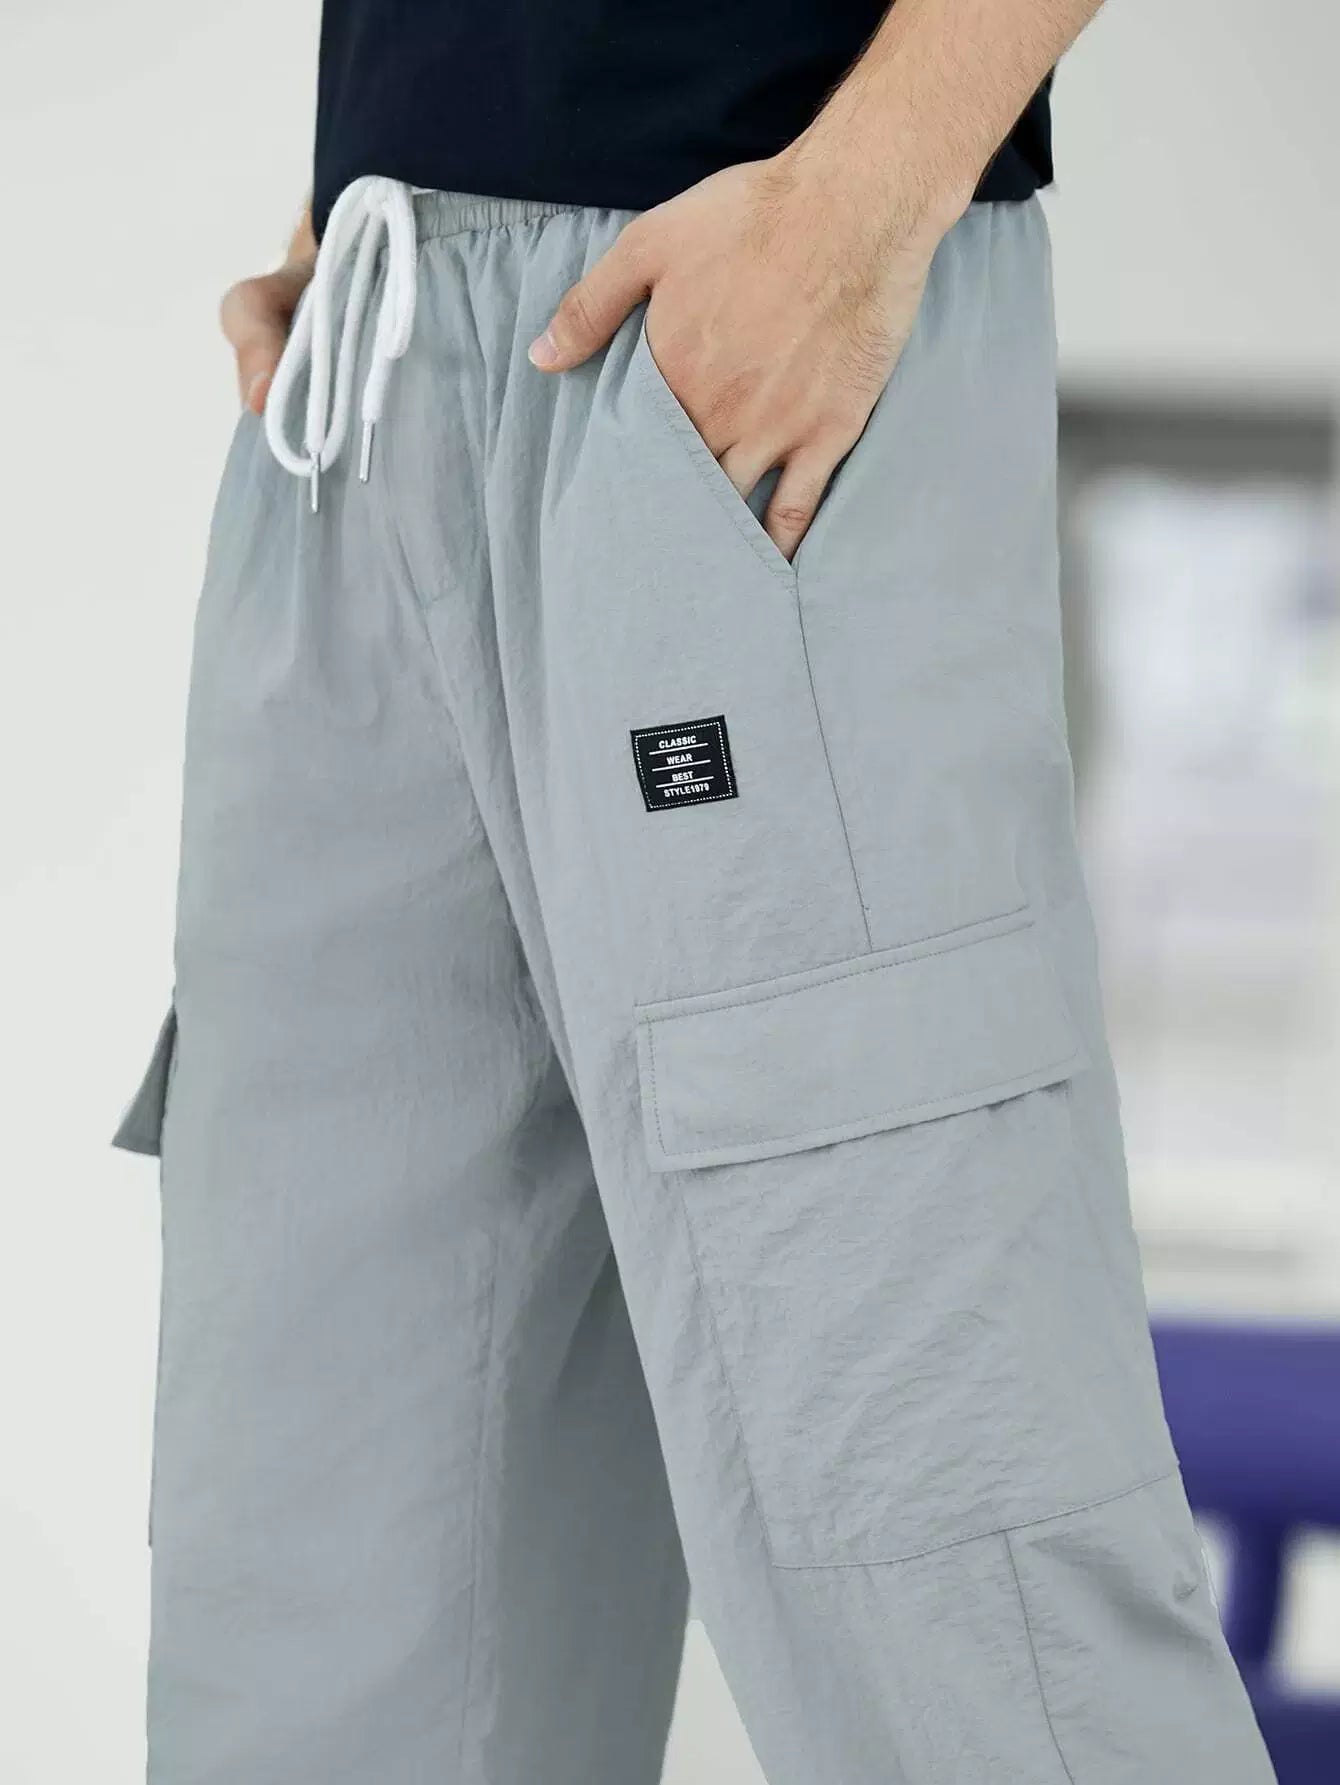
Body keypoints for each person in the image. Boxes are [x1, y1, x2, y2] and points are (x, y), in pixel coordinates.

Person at [114, 1, 1277, 1780]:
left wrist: (864, 198)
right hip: (365, 363)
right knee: (316, 1628)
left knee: (957, 1595)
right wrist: (370, 188)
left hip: (740, 345)